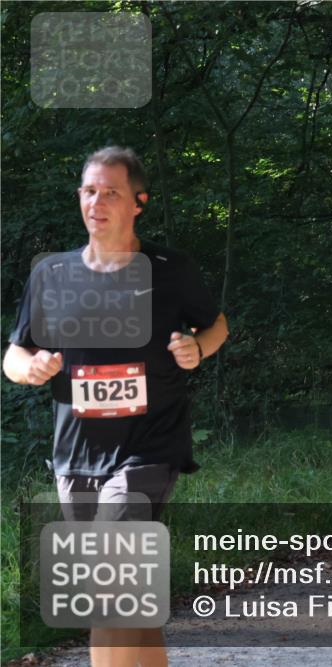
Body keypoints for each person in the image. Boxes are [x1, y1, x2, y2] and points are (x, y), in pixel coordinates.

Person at [3, 146, 228, 667]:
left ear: (138, 203)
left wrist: (199, 349)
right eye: (88, 190)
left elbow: (216, 324)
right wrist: (28, 369)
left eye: (111, 192)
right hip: (76, 456)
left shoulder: (171, 268)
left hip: (149, 448)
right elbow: (15, 352)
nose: (96, 201)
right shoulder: (51, 274)